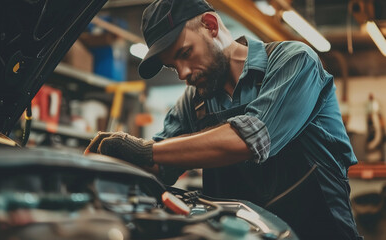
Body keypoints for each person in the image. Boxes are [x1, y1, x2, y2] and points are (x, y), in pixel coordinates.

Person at [85, 0, 362, 239]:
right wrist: (109, 165)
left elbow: (252, 137)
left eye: (185, 54)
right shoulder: (193, 103)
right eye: (173, 66)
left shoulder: (294, 62)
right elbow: (159, 165)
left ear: (211, 25)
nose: (182, 74)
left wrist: (143, 149)